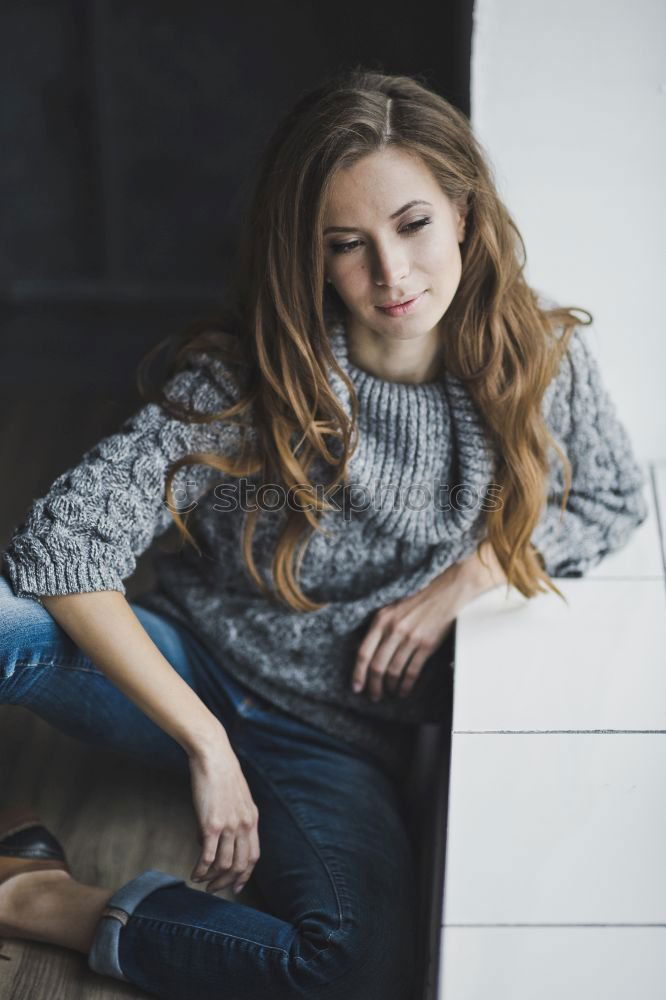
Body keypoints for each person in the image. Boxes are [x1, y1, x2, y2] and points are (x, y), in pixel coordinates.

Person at [0, 66, 647, 1000]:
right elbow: (62, 545)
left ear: (463, 209)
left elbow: (614, 500)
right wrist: (206, 745)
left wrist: (468, 577)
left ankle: (40, 899)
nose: (391, 274)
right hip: (195, 663)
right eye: (348, 245)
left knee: (352, 967)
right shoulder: (253, 378)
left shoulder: (540, 359)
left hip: (339, 739)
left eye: (413, 225)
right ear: (310, 255)